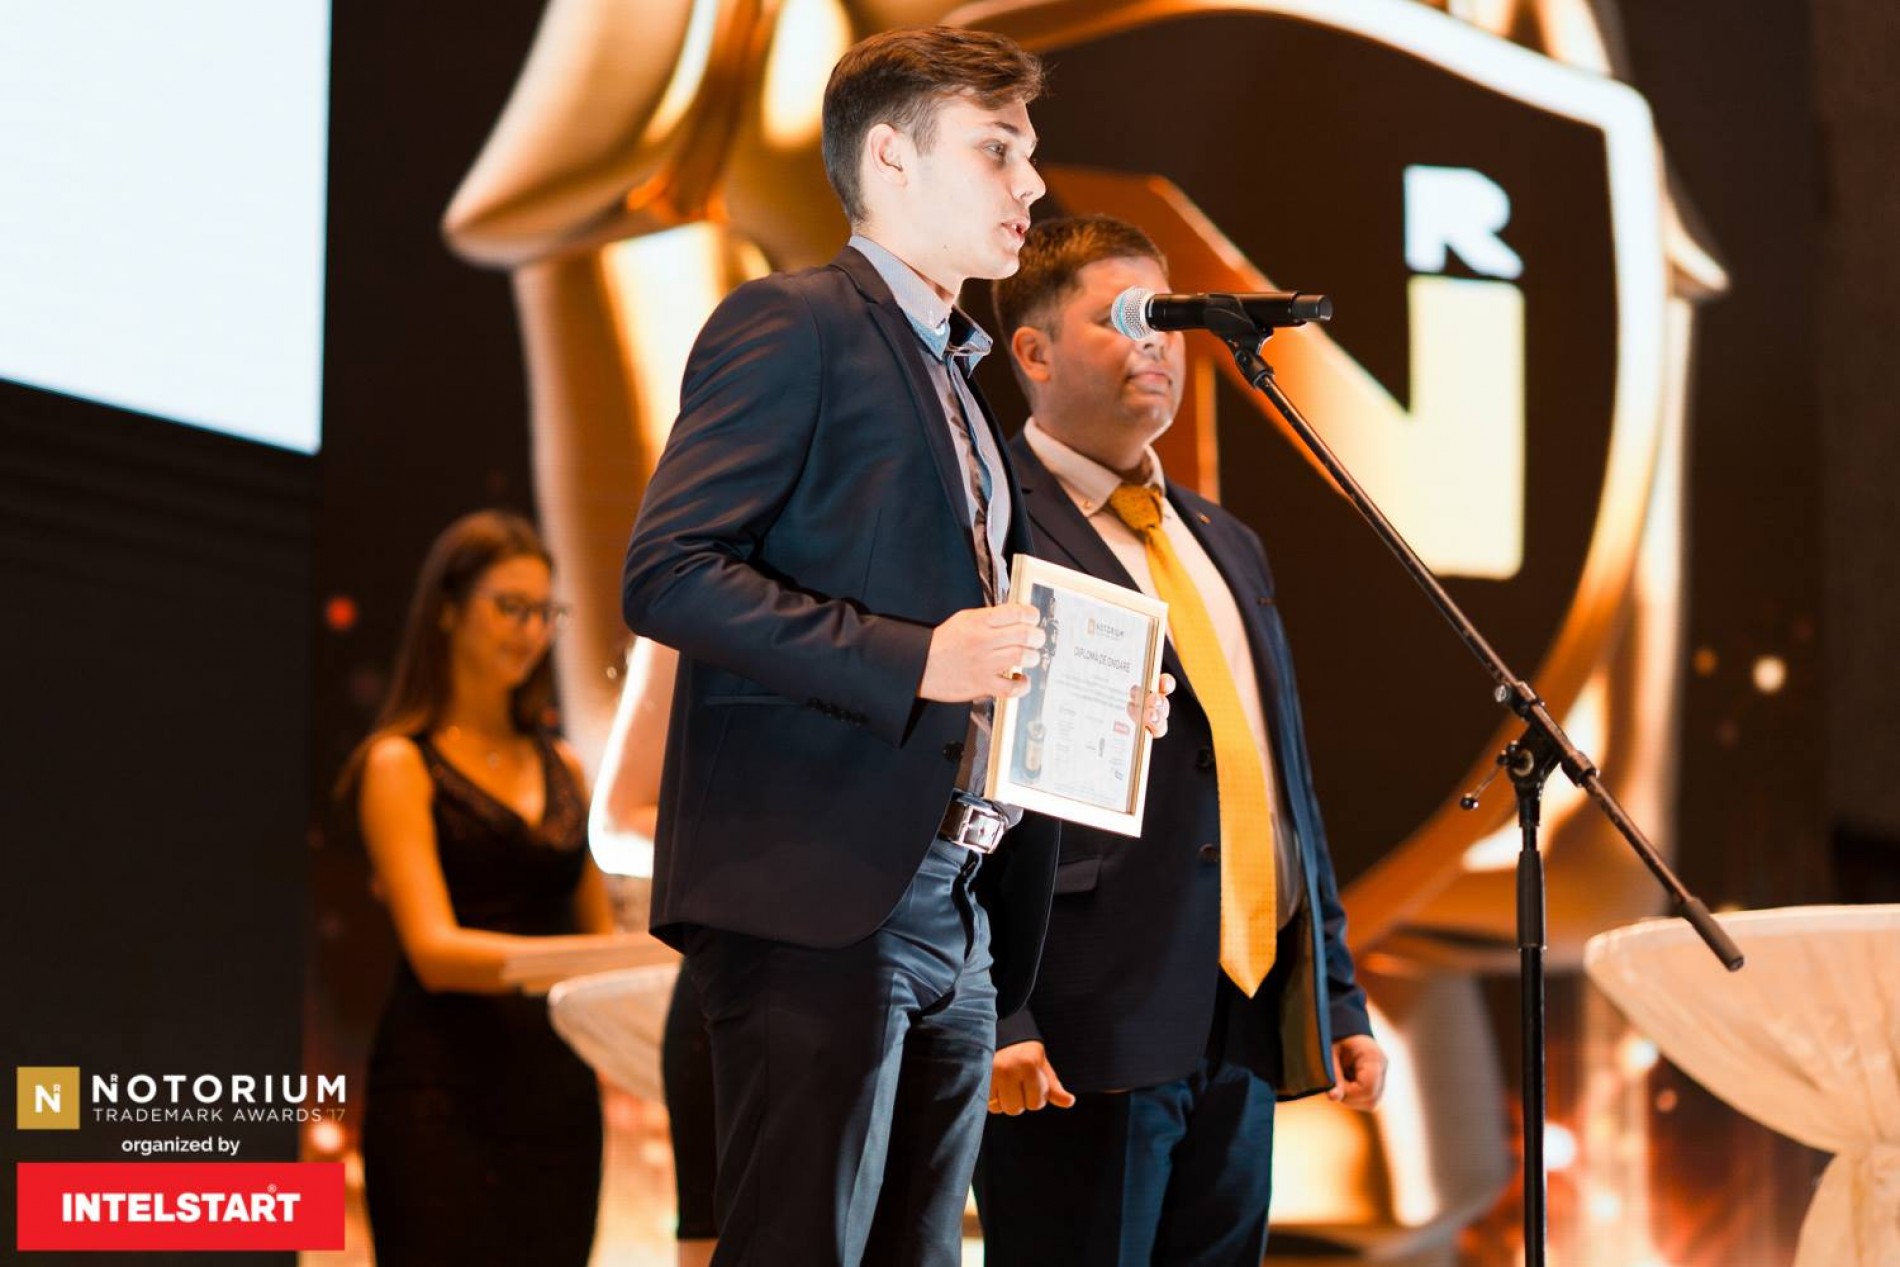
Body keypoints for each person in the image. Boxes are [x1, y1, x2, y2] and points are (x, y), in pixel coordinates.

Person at [621, 27, 1170, 1267]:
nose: (1031, 182)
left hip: (958, 900)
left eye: (1028, 153)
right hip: (819, 885)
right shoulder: (792, 324)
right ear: (890, 158)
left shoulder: (960, 380)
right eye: (997, 151)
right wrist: (914, 658)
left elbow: (975, 631)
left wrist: (1076, 704)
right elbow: (670, 572)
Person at [974, 216, 1388, 1267]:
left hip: (1241, 1007)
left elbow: (1280, 782)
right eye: (1123, 316)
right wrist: (999, 1011)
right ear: (1034, 352)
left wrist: (1334, 990)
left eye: (1164, 315)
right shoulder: (989, 525)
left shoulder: (1223, 539)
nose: (1156, 340)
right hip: (1080, 1020)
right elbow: (952, 791)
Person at [342, 509, 618, 1266]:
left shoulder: (566, 766)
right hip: (439, 1094)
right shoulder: (400, 762)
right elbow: (435, 953)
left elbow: (599, 935)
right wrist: (600, 958)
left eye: (546, 612)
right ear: (447, 610)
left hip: (558, 1094)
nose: (531, 631)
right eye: (510, 607)